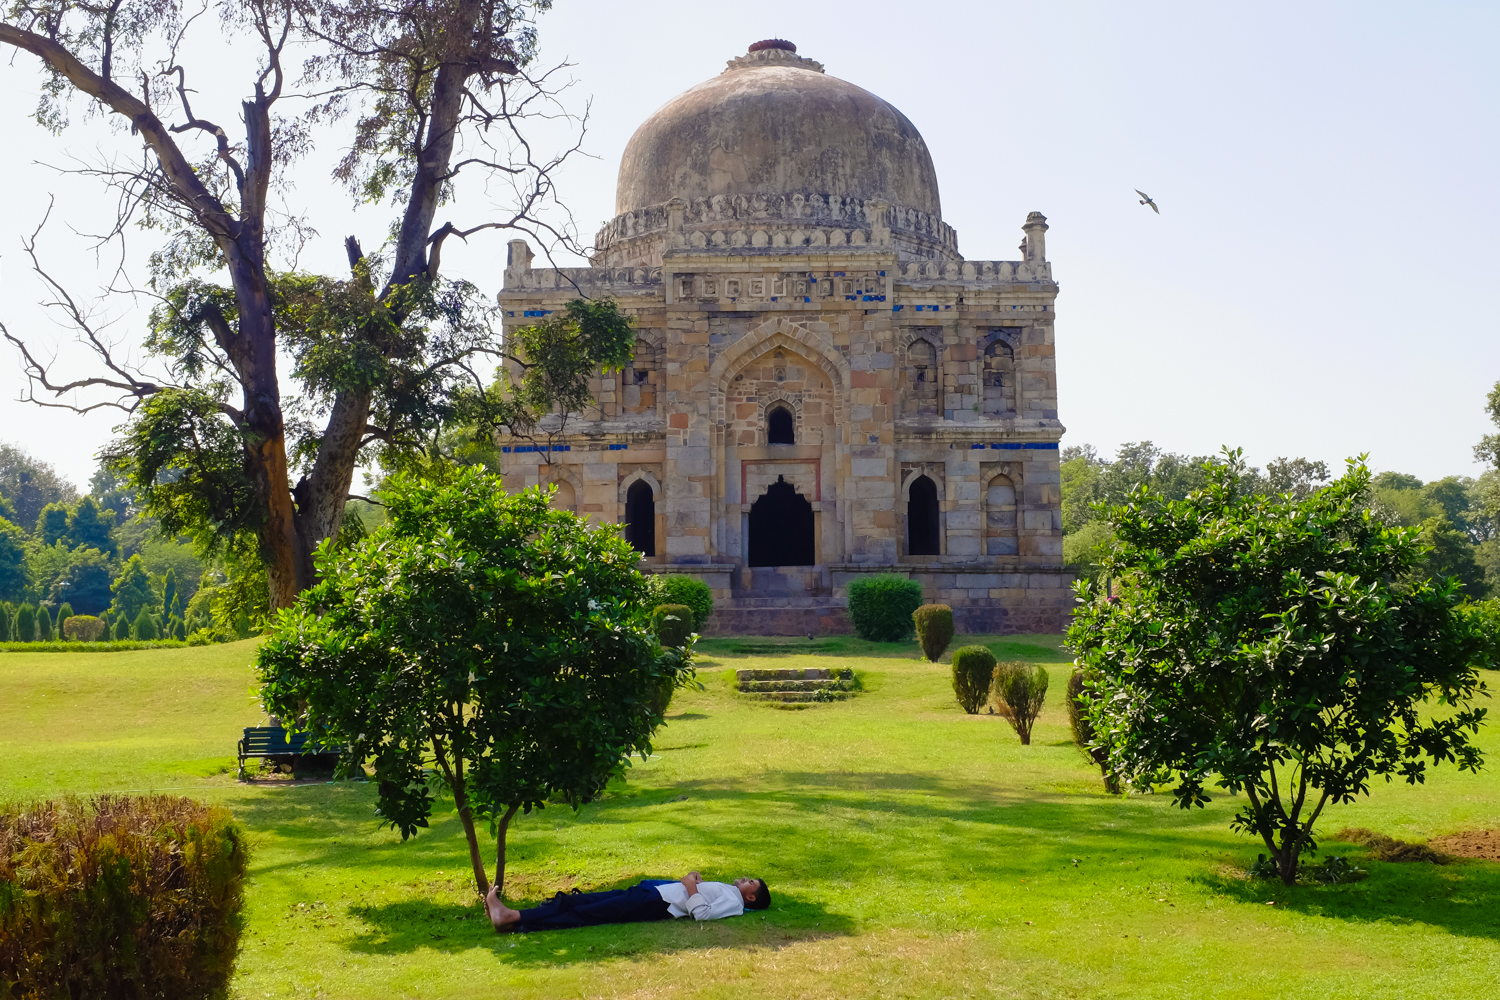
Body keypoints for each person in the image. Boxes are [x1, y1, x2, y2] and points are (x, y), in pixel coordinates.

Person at [486, 871, 770, 933]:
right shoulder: (731, 893)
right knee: (586, 900)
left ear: (751, 896)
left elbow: (702, 914)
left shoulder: (735, 903)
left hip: (658, 904)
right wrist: (695, 880)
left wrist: (690, 884)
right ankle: (514, 917)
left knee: (590, 912)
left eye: (750, 882)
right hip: (655, 895)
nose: (745, 879)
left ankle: (512, 918)